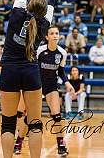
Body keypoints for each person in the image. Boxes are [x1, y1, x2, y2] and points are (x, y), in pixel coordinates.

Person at [0, 0, 65, 158]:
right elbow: (52, 0)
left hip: (9, 69)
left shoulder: (17, 12)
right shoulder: (45, 23)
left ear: (27, 5)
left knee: (8, 123)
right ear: (44, 12)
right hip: (30, 71)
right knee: (35, 123)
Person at [14, 26, 74, 156]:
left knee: (57, 116)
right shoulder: (40, 50)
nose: (55, 35)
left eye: (57, 33)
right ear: (47, 37)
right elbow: (30, 66)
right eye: (52, 33)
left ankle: (61, 145)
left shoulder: (62, 53)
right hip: (36, 85)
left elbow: (61, 72)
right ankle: (19, 141)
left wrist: (67, 83)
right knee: (29, 116)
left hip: (51, 86)